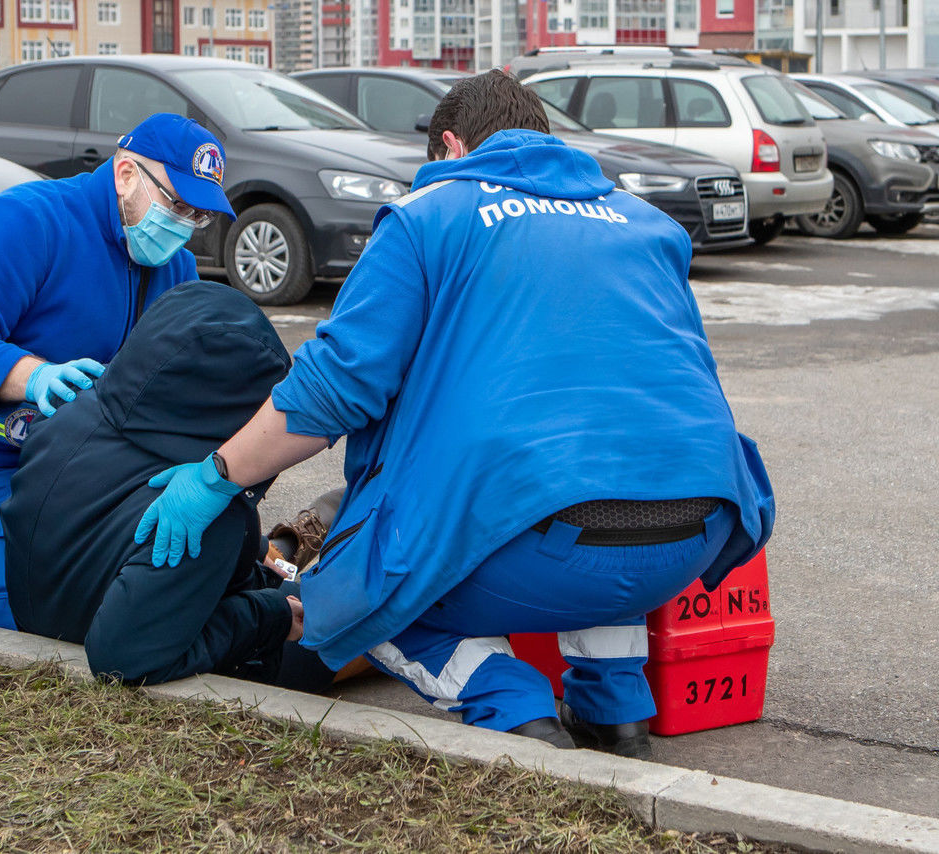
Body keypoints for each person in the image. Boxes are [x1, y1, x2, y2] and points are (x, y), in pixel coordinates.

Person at [132, 70, 775, 758]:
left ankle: (517, 709)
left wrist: (218, 475)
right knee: (603, 500)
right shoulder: (646, 224)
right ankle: (615, 712)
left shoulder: (431, 215)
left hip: (546, 541)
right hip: (696, 532)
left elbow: (335, 388)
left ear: (447, 146)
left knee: (361, 599)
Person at [0, 113, 232, 629]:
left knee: (109, 587)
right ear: (126, 173)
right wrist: (32, 375)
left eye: (199, 215)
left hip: (65, 459)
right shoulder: (29, 221)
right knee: (12, 610)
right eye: (176, 204)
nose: (182, 225)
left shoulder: (174, 267)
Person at [2, 282, 334, 690]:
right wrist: (271, 616)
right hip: (155, 640)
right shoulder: (200, 516)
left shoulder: (66, 416)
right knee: (350, 625)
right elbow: (119, 659)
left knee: (272, 573)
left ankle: (284, 548)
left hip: (50, 614)